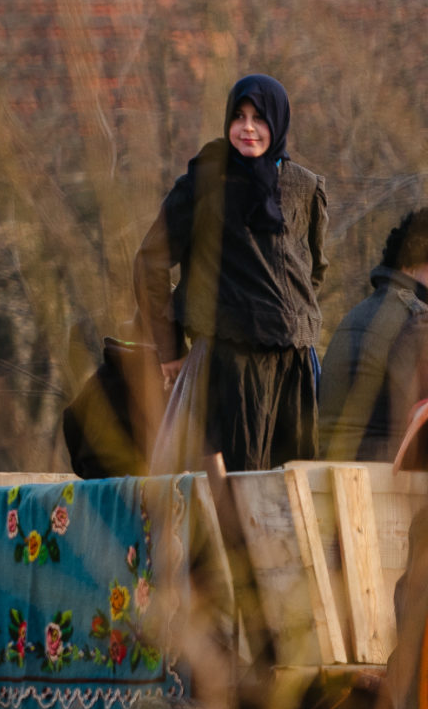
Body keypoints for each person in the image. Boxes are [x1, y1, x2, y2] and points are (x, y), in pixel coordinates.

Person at [132, 73, 329, 472]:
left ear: (278, 122)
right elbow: (149, 264)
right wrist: (170, 347)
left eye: (259, 118)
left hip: (293, 366)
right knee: (227, 489)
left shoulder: (305, 187)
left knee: (291, 489)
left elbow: (313, 268)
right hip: (227, 361)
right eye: (238, 116)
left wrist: (290, 316)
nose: (248, 128)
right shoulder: (204, 182)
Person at [318, 205, 428, 461]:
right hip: (385, 487)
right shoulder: (422, 323)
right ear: (409, 266)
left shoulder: (368, 310)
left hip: (340, 478)